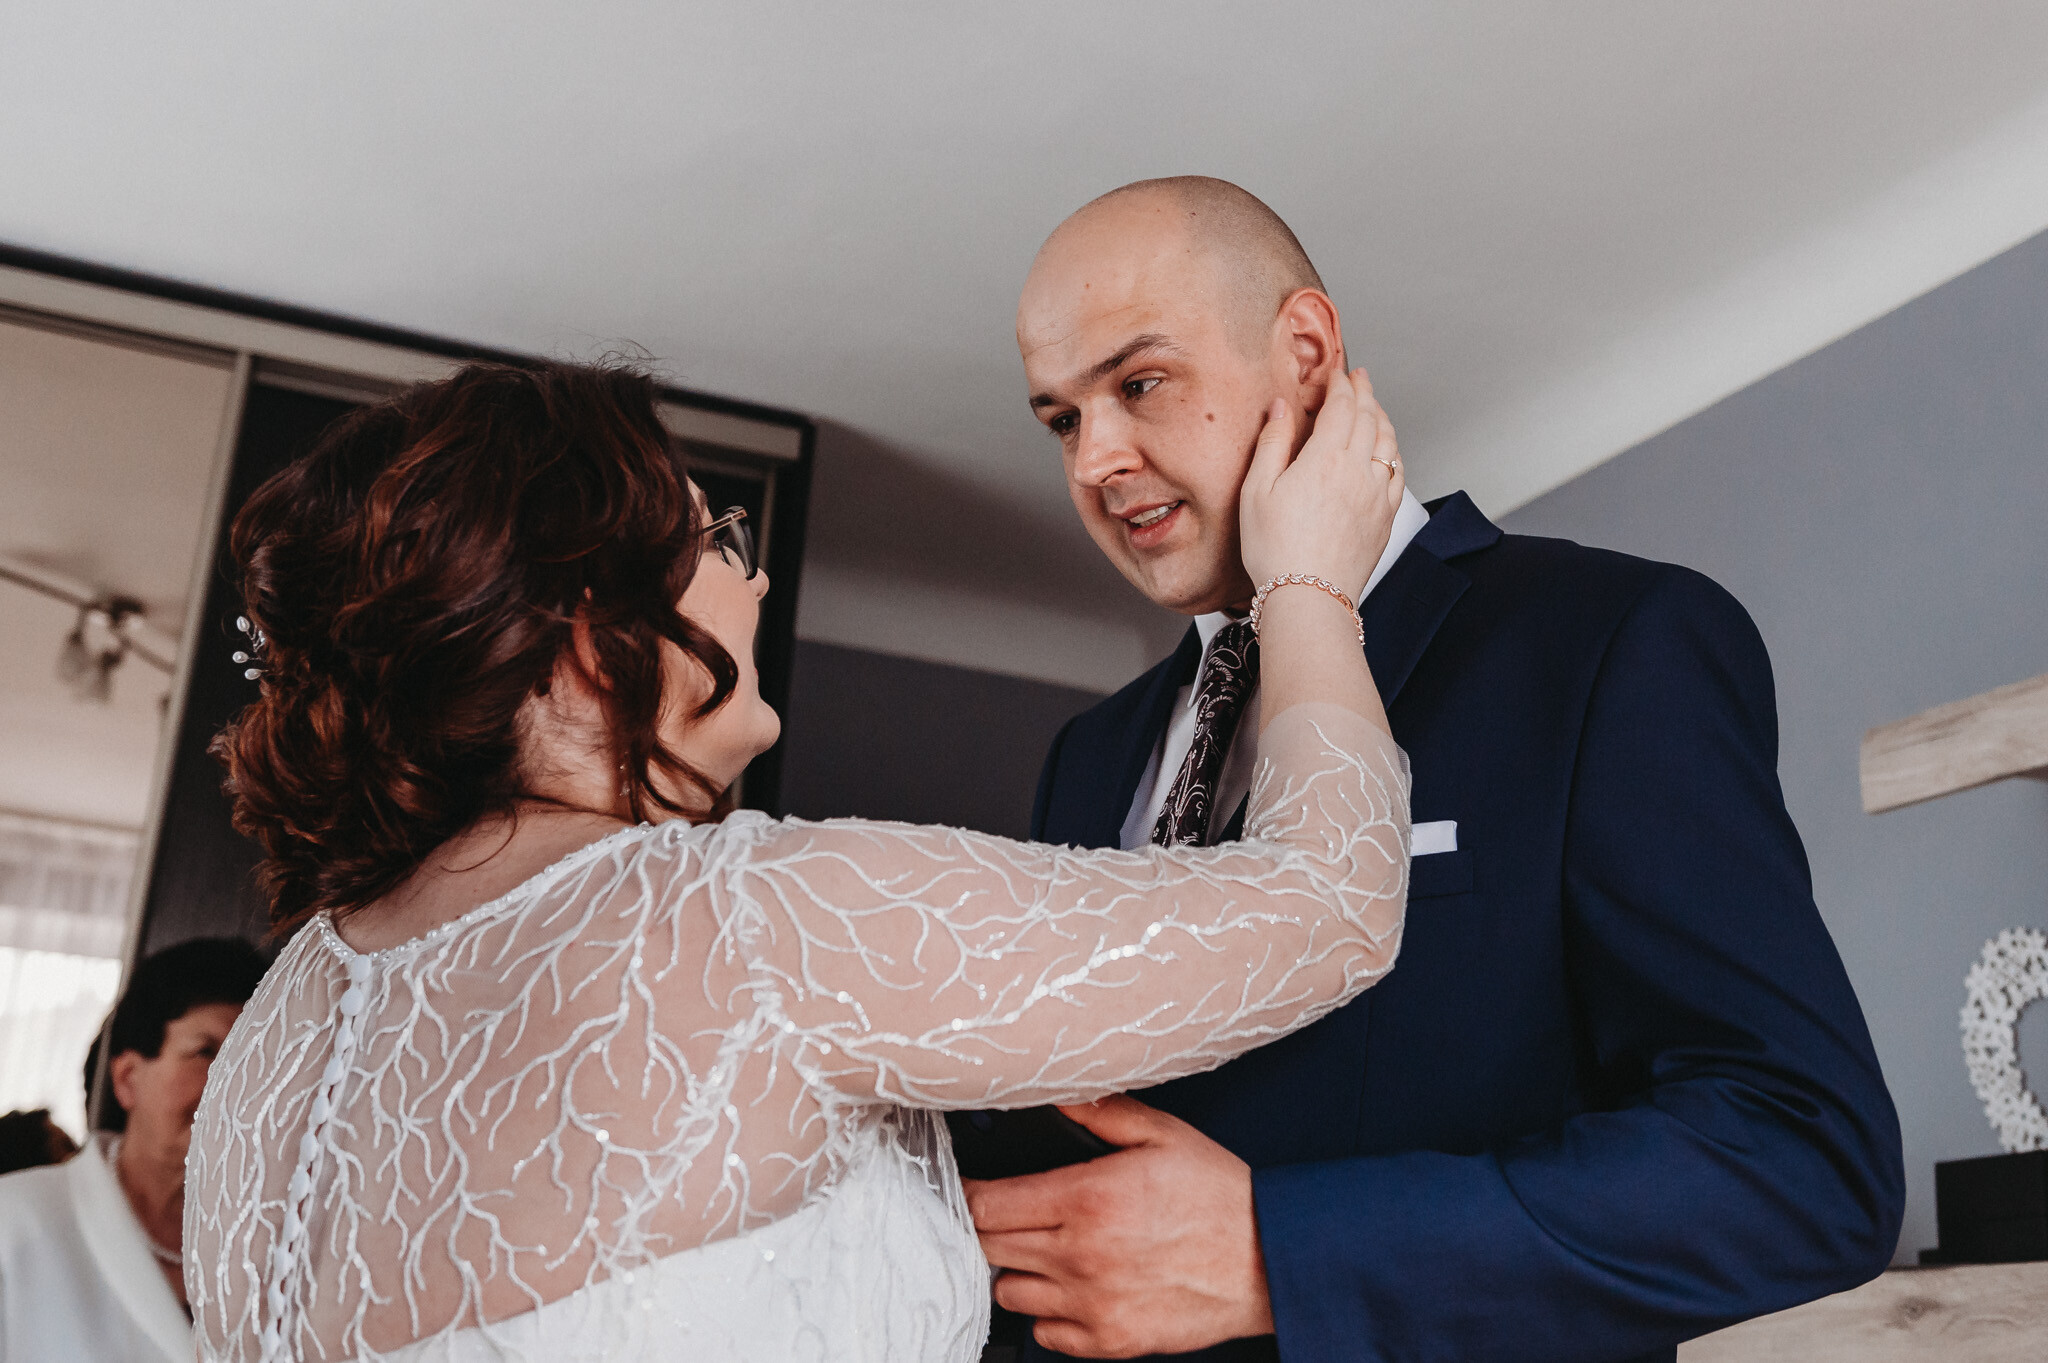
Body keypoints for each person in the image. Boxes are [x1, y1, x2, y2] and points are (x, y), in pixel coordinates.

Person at [185, 359, 1412, 1363]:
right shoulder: (747, 918)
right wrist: (1309, 581)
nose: (754, 573)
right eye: (713, 541)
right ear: (592, 628)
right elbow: (1329, 904)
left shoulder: (277, 1020)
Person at [965, 175, 1906, 1362]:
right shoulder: (1089, 755)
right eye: (1061, 420)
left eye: (1138, 383)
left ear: (1304, 352)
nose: (1096, 458)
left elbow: (1803, 1158)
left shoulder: (1607, 643)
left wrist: (1276, 1249)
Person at [0, 936, 267, 1362]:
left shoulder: (279, 1241)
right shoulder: (15, 1220)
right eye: (206, 1052)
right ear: (127, 1078)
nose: (237, 1081)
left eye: (256, 1057)